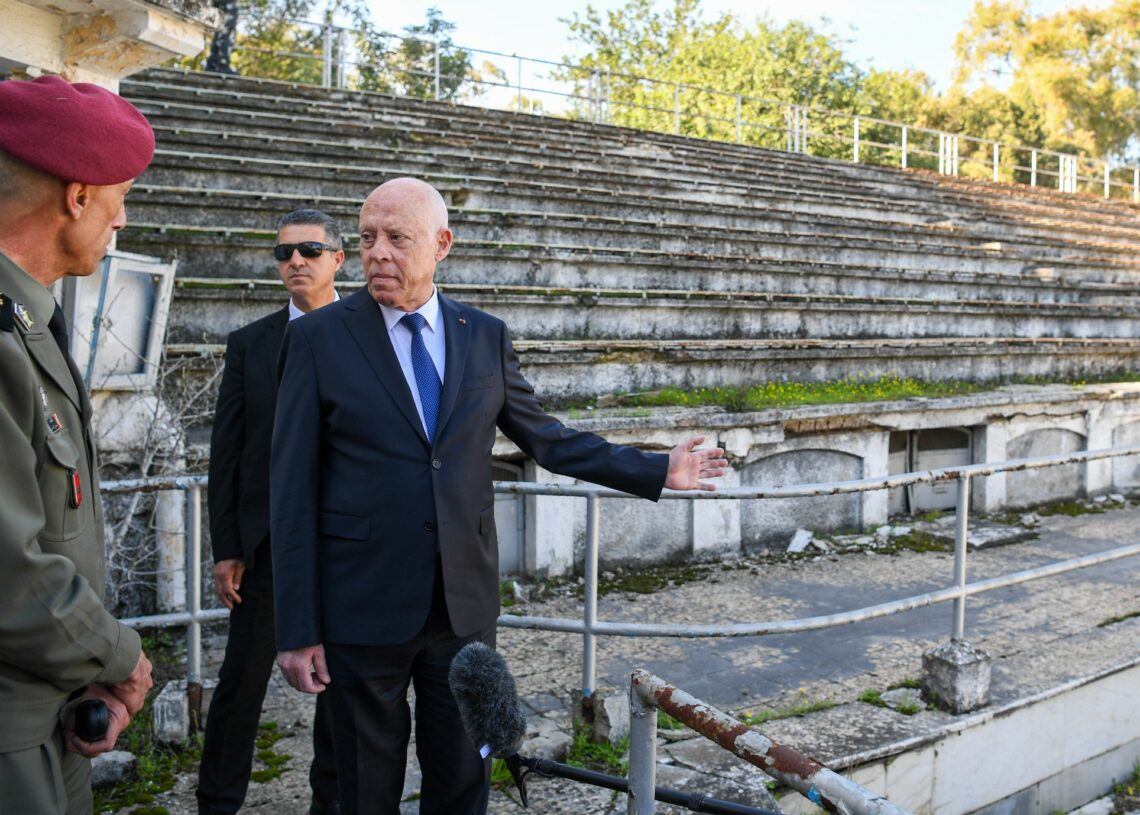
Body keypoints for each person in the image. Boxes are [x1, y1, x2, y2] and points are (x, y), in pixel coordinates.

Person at [269, 177, 728, 815]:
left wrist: (656, 470)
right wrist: (296, 629)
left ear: (441, 245)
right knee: (359, 788)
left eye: (398, 239)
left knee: (463, 780)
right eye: (368, 237)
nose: (378, 253)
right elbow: (289, 488)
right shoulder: (318, 338)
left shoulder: (482, 334)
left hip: (463, 608)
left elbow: (549, 440)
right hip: (358, 607)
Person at [0, 75, 156, 814]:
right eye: (120, 194)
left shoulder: (27, 318)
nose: (122, 218)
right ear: (78, 195)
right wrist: (120, 656)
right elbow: (10, 570)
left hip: (48, 714)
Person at [198, 209, 343, 815]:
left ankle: (330, 804)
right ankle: (216, 803)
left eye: (310, 249)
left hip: (346, 546)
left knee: (343, 692)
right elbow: (227, 453)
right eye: (283, 254)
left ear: (339, 257)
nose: (295, 262)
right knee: (239, 687)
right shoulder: (250, 345)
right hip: (265, 551)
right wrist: (227, 545)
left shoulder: (374, 332)